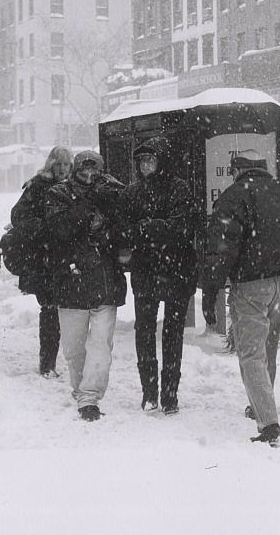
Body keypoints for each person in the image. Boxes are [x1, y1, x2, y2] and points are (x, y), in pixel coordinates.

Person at [200, 149, 280, 445]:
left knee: (251, 354)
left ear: (237, 170)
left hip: (252, 285)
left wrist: (211, 291)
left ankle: (269, 424)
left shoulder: (233, 197)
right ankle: (260, 403)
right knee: (268, 349)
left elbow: (221, 249)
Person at [117, 137, 199, 414]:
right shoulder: (131, 193)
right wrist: (155, 230)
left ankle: (170, 394)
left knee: (173, 335)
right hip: (147, 272)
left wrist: (145, 228)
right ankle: (149, 391)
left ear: (162, 161)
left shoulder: (179, 188)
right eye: (142, 160)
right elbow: (124, 231)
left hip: (175, 272)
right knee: (145, 332)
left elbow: (181, 228)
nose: (145, 165)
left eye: (151, 160)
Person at [43, 150, 126, 422]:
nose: (89, 175)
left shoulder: (114, 191)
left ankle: (90, 397)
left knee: (101, 347)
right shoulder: (58, 194)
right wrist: (90, 203)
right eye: (83, 170)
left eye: (94, 170)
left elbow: (125, 229)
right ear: (75, 170)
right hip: (71, 284)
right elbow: (59, 229)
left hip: (105, 282)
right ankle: (81, 390)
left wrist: (110, 211)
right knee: (74, 350)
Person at [10, 146, 73, 377]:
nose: (63, 169)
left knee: (62, 310)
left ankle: (54, 361)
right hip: (44, 260)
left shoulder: (74, 186)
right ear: (51, 165)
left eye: (67, 164)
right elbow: (17, 215)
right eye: (59, 164)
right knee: (50, 309)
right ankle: (47, 363)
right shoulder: (37, 186)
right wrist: (44, 228)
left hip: (66, 258)